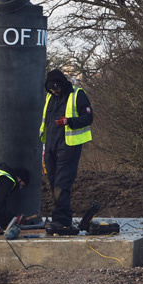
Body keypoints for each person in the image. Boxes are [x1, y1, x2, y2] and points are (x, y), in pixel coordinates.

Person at [40, 68, 94, 231]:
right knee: (53, 183)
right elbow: (46, 122)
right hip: (50, 147)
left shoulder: (77, 94)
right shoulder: (50, 96)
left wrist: (69, 121)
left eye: (56, 88)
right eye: (51, 90)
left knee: (62, 184)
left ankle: (62, 221)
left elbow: (88, 118)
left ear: (62, 84)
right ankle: (60, 217)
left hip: (68, 146)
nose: (54, 92)